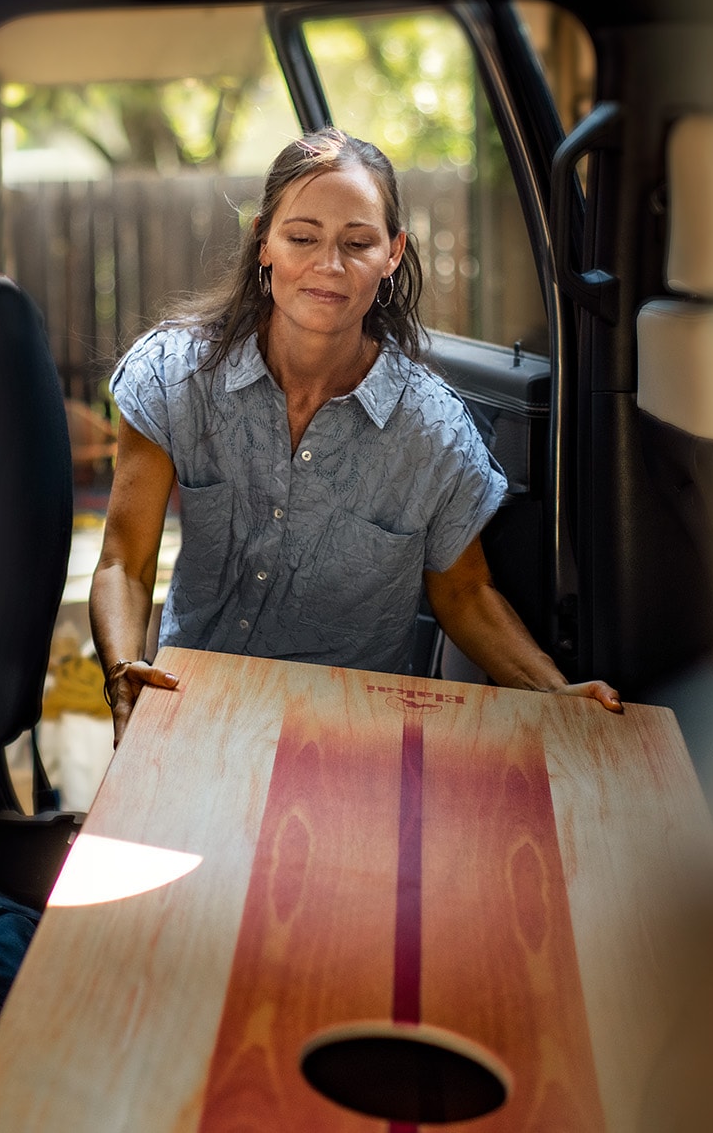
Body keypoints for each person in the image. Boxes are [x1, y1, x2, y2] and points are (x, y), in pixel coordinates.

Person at [91, 128, 622, 740]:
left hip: (352, 736)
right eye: (302, 237)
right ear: (263, 240)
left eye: (358, 242)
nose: (329, 265)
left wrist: (555, 693)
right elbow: (124, 563)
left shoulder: (432, 432)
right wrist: (122, 671)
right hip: (191, 709)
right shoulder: (174, 378)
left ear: (392, 254)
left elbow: (466, 593)